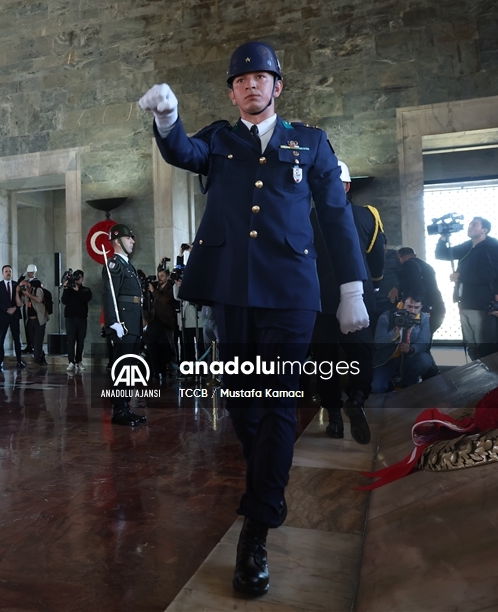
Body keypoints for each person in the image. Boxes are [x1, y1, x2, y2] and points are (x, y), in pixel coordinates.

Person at [139, 40, 368, 597]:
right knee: (242, 401)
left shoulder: (310, 143)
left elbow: (336, 218)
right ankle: (268, 479)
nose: (250, 85)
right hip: (231, 291)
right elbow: (181, 153)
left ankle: (257, 527)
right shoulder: (218, 141)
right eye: (241, 80)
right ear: (232, 91)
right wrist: (168, 118)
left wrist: (351, 288)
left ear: (278, 87)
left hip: (291, 291)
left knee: (277, 402)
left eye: (261, 78)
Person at [308, 160, 384, 444]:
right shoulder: (367, 216)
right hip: (360, 294)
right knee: (360, 353)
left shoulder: (308, 217)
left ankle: (335, 419)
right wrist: (373, 285)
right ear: (348, 186)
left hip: (320, 297)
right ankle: (357, 397)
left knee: (324, 359)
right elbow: (377, 260)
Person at [434, 216, 498, 359]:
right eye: (470, 224)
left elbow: (488, 275)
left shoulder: (493, 247)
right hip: (464, 302)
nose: (470, 226)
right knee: (471, 344)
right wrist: (442, 238)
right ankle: (474, 374)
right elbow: (441, 254)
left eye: (474, 224)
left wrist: (460, 277)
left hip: (480, 303)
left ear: (484, 230)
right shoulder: (468, 246)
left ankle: (488, 376)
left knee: (482, 343)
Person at [101, 224, 147, 426]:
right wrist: (113, 323)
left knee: (130, 368)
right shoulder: (114, 265)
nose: (133, 241)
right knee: (122, 367)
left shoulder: (128, 265)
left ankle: (125, 406)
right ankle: (119, 409)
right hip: (123, 325)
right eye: (129, 238)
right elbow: (110, 295)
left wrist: (141, 322)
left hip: (133, 324)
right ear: (117, 241)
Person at [371, 294, 435, 393]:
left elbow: (424, 342)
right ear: (402, 303)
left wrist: (411, 348)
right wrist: (394, 334)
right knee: (376, 387)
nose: (412, 311)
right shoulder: (387, 316)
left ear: (421, 307)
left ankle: (409, 383)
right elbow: (378, 343)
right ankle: (390, 385)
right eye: (409, 306)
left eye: (416, 307)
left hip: (410, 357)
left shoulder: (423, 318)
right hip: (388, 358)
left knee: (424, 360)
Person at [393, 246, 445, 339]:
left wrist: (422, 310)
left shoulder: (409, 264)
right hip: (437, 307)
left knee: (417, 342)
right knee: (425, 341)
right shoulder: (426, 266)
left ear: (400, 257)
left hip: (427, 309)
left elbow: (417, 288)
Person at [0, 265, 26, 370]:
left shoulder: (17, 285)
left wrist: (14, 308)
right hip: (3, 316)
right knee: (1, 339)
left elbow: (20, 301)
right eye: (6, 271)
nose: (8, 273)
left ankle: (19, 360)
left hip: (14, 316)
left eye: (9, 271)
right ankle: (0, 361)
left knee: (17, 339)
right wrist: (7, 310)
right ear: (2, 273)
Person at [61, 270, 91, 373]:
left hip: (82, 319)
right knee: (70, 340)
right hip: (70, 318)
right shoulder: (69, 290)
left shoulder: (86, 290)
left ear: (82, 278)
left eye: (79, 278)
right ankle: (71, 362)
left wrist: (77, 290)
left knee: (80, 341)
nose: (77, 280)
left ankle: (79, 361)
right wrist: (66, 288)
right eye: (76, 278)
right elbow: (64, 301)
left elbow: (86, 298)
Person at [22, 279, 52, 364]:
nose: (24, 287)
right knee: (32, 341)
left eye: (25, 285)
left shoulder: (38, 290)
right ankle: (41, 357)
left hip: (39, 319)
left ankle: (36, 361)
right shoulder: (25, 293)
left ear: (29, 284)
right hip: (30, 320)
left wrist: (28, 294)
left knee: (38, 341)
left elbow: (39, 300)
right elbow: (21, 303)